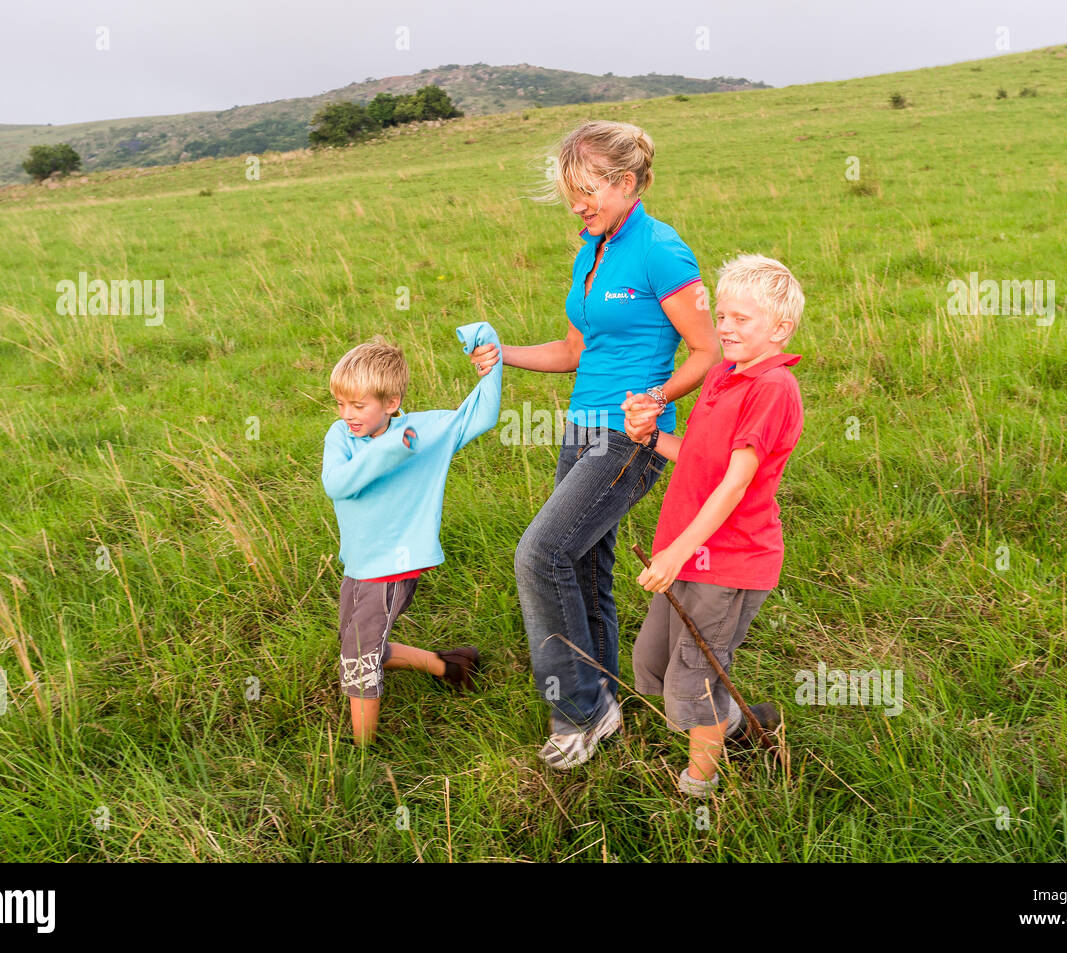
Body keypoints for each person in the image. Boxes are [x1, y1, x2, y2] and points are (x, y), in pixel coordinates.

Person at [469, 120, 721, 769]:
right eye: (569, 191)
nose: (576, 203)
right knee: (581, 566)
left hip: (627, 437)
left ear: (627, 182)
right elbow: (577, 350)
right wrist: (504, 357)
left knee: (539, 553)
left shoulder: (661, 250)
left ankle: (576, 708)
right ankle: (603, 699)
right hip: (580, 427)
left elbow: (708, 349)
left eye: (587, 189)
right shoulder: (592, 249)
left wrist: (659, 398)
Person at [623, 254, 805, 795]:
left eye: (741, 319)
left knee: (693, 677)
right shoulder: (725, 375)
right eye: (721, 316)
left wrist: (676, 551)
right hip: (688, 550)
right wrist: (651, 437)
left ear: (779, 328)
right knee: (651, 663)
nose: (724, 327)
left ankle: (698, 788)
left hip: (728, 562)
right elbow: (703, 459)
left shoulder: (772, 388)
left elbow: (735, 483)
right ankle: (740, 726)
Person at [321, 323, 502, 744]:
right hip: (359, 564)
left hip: (394, 567)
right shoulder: (342, 436)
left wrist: (489, 355)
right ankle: (451, 667)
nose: (347, 414)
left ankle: (361, 755)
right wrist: (391, 448)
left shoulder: (426, 432)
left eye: (358, 405)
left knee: (359, 658)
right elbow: (338, 484)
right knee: (357, 646)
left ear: (392, 402)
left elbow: (482, 414)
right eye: (340, 403)